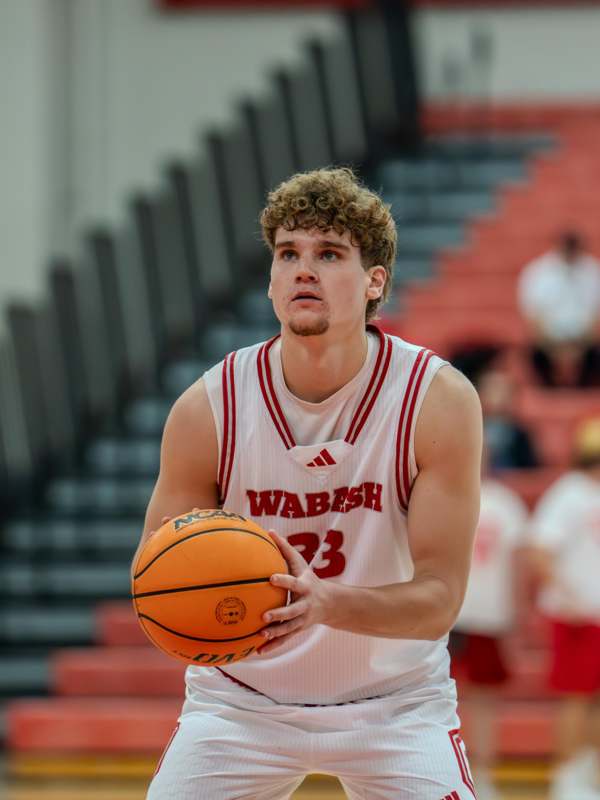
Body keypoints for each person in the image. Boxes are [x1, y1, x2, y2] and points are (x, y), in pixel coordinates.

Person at [133, 167, 483, 799]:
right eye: (288, 253)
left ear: (375, 281)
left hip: (394, 706)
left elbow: (440, 599)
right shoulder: (209, 409)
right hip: (243, 705)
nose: (303, 269)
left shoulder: (435, 400)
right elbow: (153, 574)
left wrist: (325, 604)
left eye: (328, 254)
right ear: (270, 281)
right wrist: (195, 595)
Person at [449, 449, 529, 800]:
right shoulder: (444, 494)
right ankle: (448, 767)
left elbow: (519, 562)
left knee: (483, 699)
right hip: (446, 613)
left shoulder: (506, 504)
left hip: (489, 616)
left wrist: (516, 611)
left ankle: (482, 771)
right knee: (437, 695)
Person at [528, 416, 600, 800]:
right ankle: (568, 776)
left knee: (594, 699)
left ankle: (588, 772)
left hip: (595, 615)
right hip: (577, 616)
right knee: (576, 697)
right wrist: (569, 596)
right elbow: (540, 550)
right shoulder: (569, 492)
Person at [517, 231, 600, 388]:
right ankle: (548, 392)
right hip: (549, 340)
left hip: (584, 340)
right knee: (533, 356)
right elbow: (534, 317)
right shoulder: (537, 272)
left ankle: (584, 392)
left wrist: (582, 346)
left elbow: (596, 317)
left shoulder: (594, 271)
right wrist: (551, 347)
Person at [477, 368, 538, 471]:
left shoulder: (521, 435)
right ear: (480, 394)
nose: (499, 397)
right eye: (493, 390)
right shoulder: (471, 431)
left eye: (504, 391)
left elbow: (530, 473)